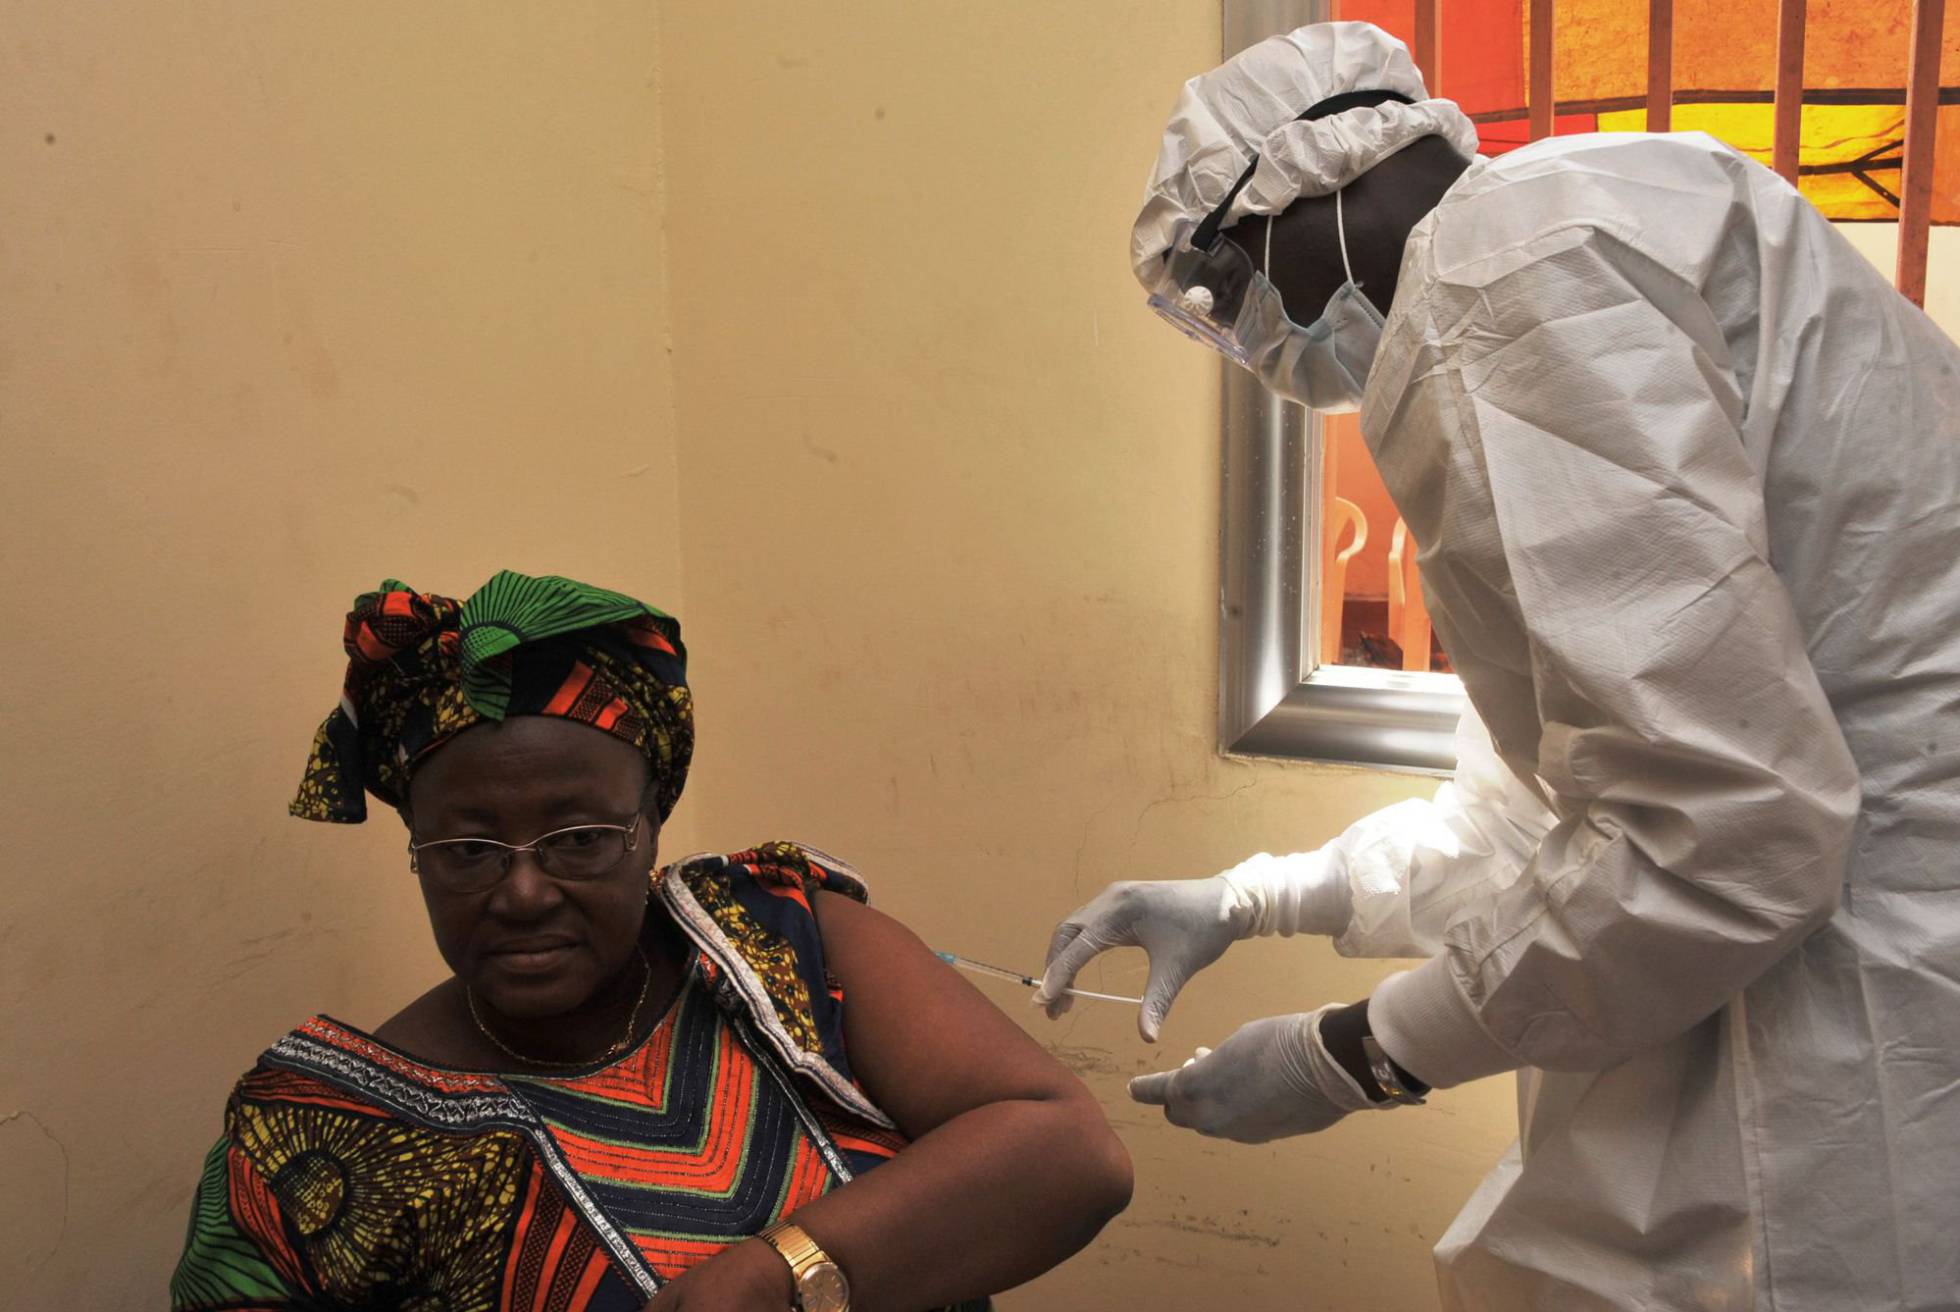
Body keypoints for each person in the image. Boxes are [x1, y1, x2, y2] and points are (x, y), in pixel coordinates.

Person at [1039, 20, 1960, 1311]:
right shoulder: (1555, 241)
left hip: (1859, 999)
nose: (1241, 338)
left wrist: (1351, 1057)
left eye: (1222, 285)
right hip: (1803, 936)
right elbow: (1532, 818)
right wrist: (1252, 897)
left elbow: (1731, 827)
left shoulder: (1496, 300)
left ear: (1310, 178)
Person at [172, 570, 1132, 1312]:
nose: (523, 891)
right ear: (417, 854)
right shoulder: (312, 1133)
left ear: (653, 832)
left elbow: (1069, 1154)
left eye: (580, 840)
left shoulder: (782, 941)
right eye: (468, 850)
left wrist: (780, 1273)